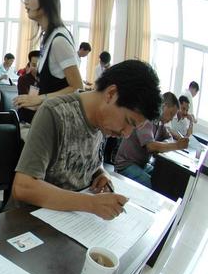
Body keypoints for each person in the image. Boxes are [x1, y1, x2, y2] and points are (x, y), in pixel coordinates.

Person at [12, 60, 162, 220]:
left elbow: (90, 163)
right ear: (111, 94)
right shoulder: (55, 113)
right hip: (34, 221)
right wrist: (91, 203)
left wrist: (103, 174)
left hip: (72, 221)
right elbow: (23, 187)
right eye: (129, 122)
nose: (126, 134)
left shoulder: (104, 125)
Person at [14, 0, 84, 110]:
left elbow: (77, 87)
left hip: (58, 119)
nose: (25, 2)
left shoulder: (59, 40)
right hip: (46, 113)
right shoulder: (49, 37)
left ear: (46, 0)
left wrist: (39, 98)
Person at [114, 92, 189, 188]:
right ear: (164, 106)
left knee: (161, 176)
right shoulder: (147, 117)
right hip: (126, 164)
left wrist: (163, 144)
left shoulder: (160, 123)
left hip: (142, 164)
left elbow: (169, 138)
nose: (170, 119)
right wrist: (177, 146)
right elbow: (151, 146)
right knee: (150, 183)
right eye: (171, 114)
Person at [17, 50, 41, 123]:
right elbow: (25, 103)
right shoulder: (23, 79)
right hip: (26, 120)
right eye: (34, 65)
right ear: (29, 64)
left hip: (42, 118)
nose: (36, 68)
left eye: (39, 65)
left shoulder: (47, 81)